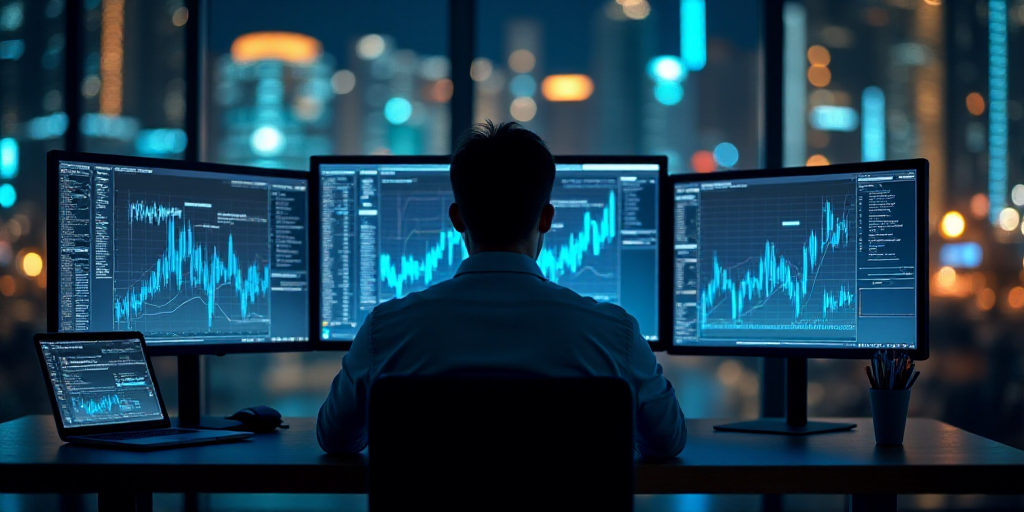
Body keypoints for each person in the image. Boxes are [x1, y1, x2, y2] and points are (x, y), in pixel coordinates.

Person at [316, 120, 686, 457]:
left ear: (457, 218)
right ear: (546, 218)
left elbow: (335, 440)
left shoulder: (385, 330)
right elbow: (667, 442)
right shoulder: (614, 333)